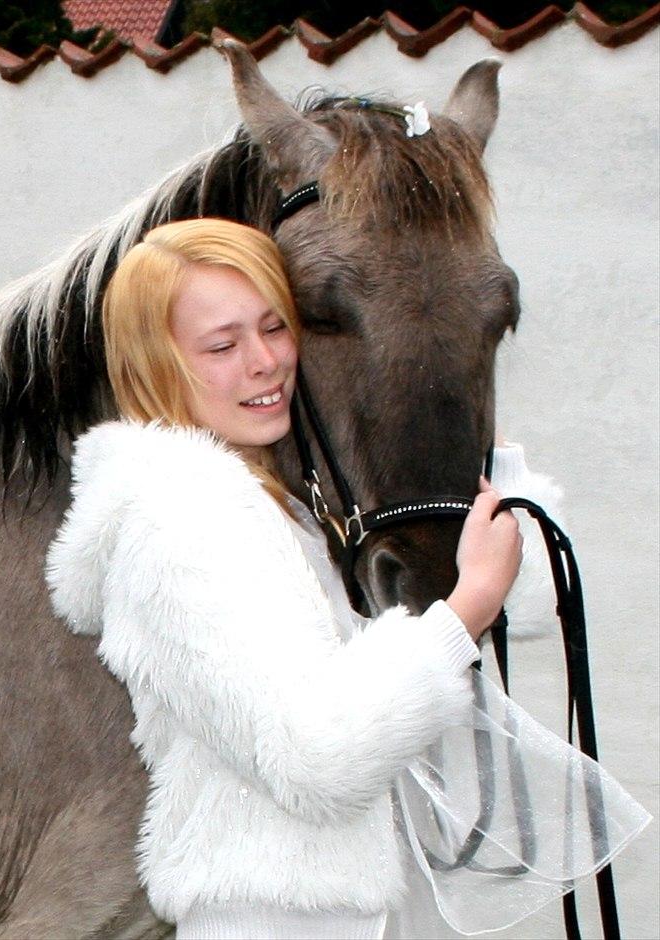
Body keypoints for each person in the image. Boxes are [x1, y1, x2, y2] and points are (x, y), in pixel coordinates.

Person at [46, 219, 648, 940]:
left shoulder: (282, 510)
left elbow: (407, 662)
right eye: (222, 345)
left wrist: (494, 497)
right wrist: (465, 613)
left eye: (274, 327)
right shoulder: (176, 523)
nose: (265, 361)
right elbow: (315, 759)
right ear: (155, 364)